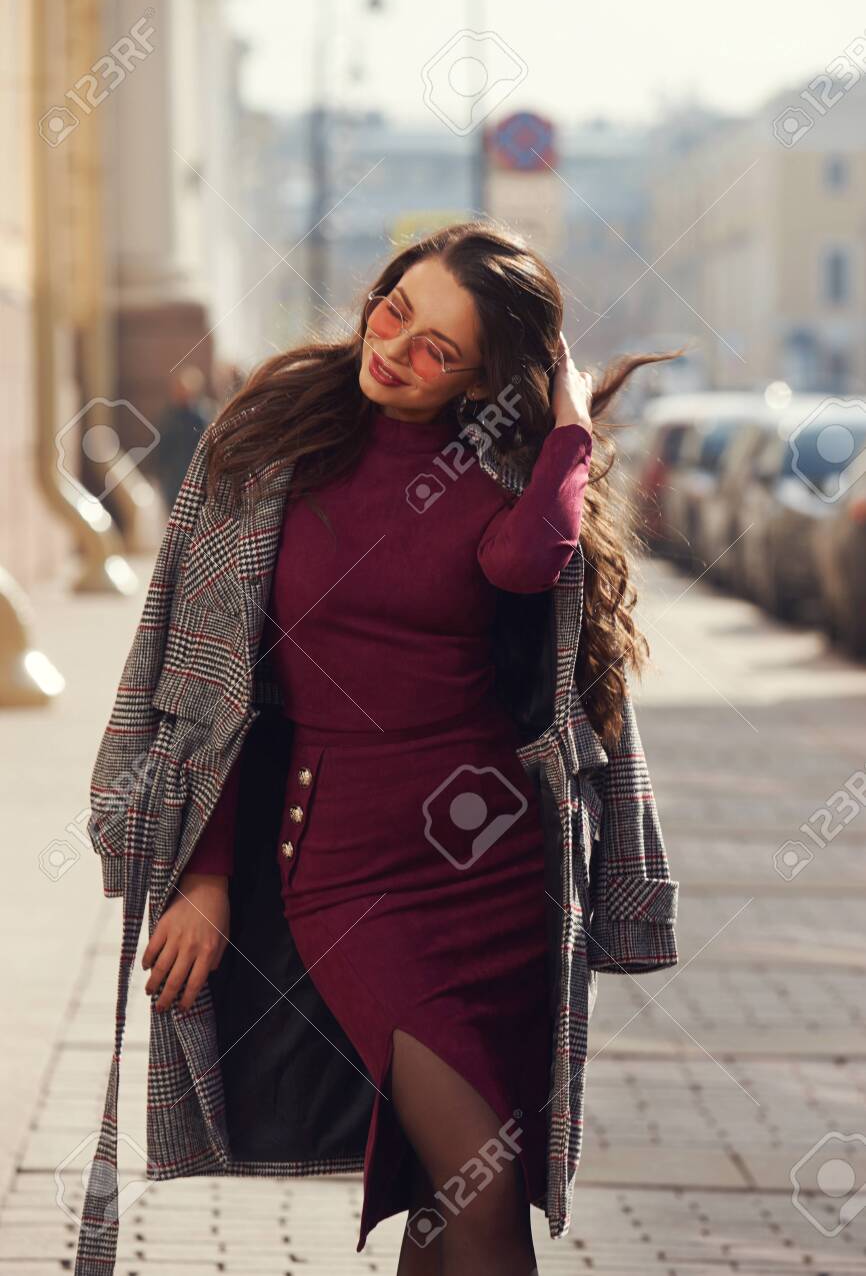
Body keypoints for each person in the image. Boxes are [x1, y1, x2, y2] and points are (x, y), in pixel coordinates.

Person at [105, 222, 680, 1276]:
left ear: (483, 381)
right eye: (394, 310)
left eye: (436, 351)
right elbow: (218, 687)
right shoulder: (271, 440)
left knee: (440, 1190)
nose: (395, 348)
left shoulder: (504, 471)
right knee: (483, 1184)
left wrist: (565, 425)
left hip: (497, 874)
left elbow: (523, 564)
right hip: (346, 873)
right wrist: (207, 872)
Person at [152, 365, 214, 510]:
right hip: (173, 480)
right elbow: (162, 446)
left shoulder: (202, 417)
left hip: (194, 479)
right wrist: (159, 473)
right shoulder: (170, 416)